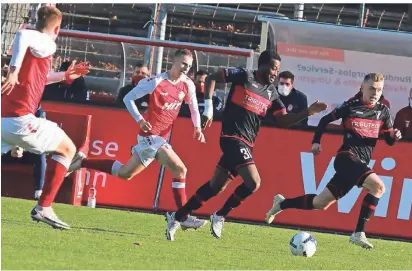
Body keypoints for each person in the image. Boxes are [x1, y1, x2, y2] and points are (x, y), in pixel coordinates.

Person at [165, 50, 327, 241]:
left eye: (278, 70)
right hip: (231, 137)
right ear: (263, 66)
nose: (276, 73)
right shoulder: (244, 75)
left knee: (215, 187)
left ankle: (178, 216)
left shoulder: (272, 93)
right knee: (254, 182)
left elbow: (282, 121)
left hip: (247, 144)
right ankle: (221, 214)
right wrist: (208, 109)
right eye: (274, 69)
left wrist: (307, 112)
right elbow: (212, 78)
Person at [68, 49, 208, 230]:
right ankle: (183, 216)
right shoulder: (157, 81)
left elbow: (194, 108)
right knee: (180, 169)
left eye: (189, 66)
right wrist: (140, 120)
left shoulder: (187, 84)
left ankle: (83, 162)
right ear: (173, 61)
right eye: (183, 64)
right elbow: (128, 98)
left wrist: (197, 127)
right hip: (150, 138)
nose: (185, 68)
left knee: (125, 173)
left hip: (160, 139)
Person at [265, 73, 402, 250]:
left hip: (360, 163)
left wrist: (393, 136)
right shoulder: (351, 106)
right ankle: (358, 233)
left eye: (379, 89)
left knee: (320, 203)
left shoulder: (383, 111)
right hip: (346, 158)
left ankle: (281, 204)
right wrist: (316, 141)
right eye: (372, 88)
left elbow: (389, 140)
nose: (375, 92)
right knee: (379, 187)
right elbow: (324, 120)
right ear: (362, 88)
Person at [1, 6, 90, 230]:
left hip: (5, 120)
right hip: (20, 120)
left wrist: (64, 76)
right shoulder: (46, 42)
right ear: (57, 28)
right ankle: (44, 207)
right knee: (68, 149)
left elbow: (40, 78)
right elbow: (22, 34)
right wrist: (13, 69)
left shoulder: (34, 51)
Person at [1, 105, 47, 199]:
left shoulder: (39, 114)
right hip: (7, 146)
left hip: (27, 149)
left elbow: (39, 137)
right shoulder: (6, 106)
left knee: (40, 153)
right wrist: (11, 145)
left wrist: (21, 146)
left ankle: (39, 192)